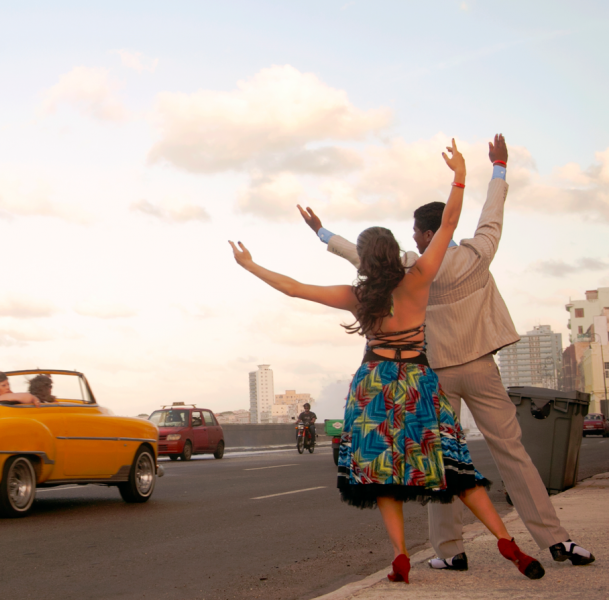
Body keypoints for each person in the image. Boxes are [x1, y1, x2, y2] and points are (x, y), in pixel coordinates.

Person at [231, 139, 544, 584]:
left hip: (374, 385)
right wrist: (460, 177)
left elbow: (294, 288)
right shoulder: (418, 279)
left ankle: (399, 554)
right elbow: (450, 220)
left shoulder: (358, 296)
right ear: (395, 250)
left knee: (382, 471)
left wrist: (250, 265)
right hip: (418, 379)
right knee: (451, 463)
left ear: (366, 260)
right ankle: (505, 540)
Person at [299, 134, 594, 570]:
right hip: (480, 368)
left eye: (417, 231)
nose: (414, 238)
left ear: (427, 232)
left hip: (433, 375)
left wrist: (322, 232)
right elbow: (492, 216)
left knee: (439, 460)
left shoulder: (411, 270)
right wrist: (499, 168)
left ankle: (451, 552)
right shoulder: (477, 255)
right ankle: (556, 541)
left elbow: (364, 258)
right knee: (513, 453)